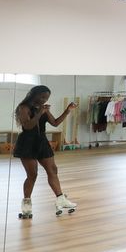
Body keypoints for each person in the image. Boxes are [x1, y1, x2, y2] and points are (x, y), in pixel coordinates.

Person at [13, 85, 77, 219]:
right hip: (27, 142)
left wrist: (67, 111)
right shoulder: (23, 107)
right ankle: (26, 204)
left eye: (46, 98)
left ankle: (61, 199)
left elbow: (55, 123)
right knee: (32, 175)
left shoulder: (43, 109)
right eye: (42, 97)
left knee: (53, 170)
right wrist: (39, 113)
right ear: (33, 95)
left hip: (41, 141)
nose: (43, 100)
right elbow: (28, 126)